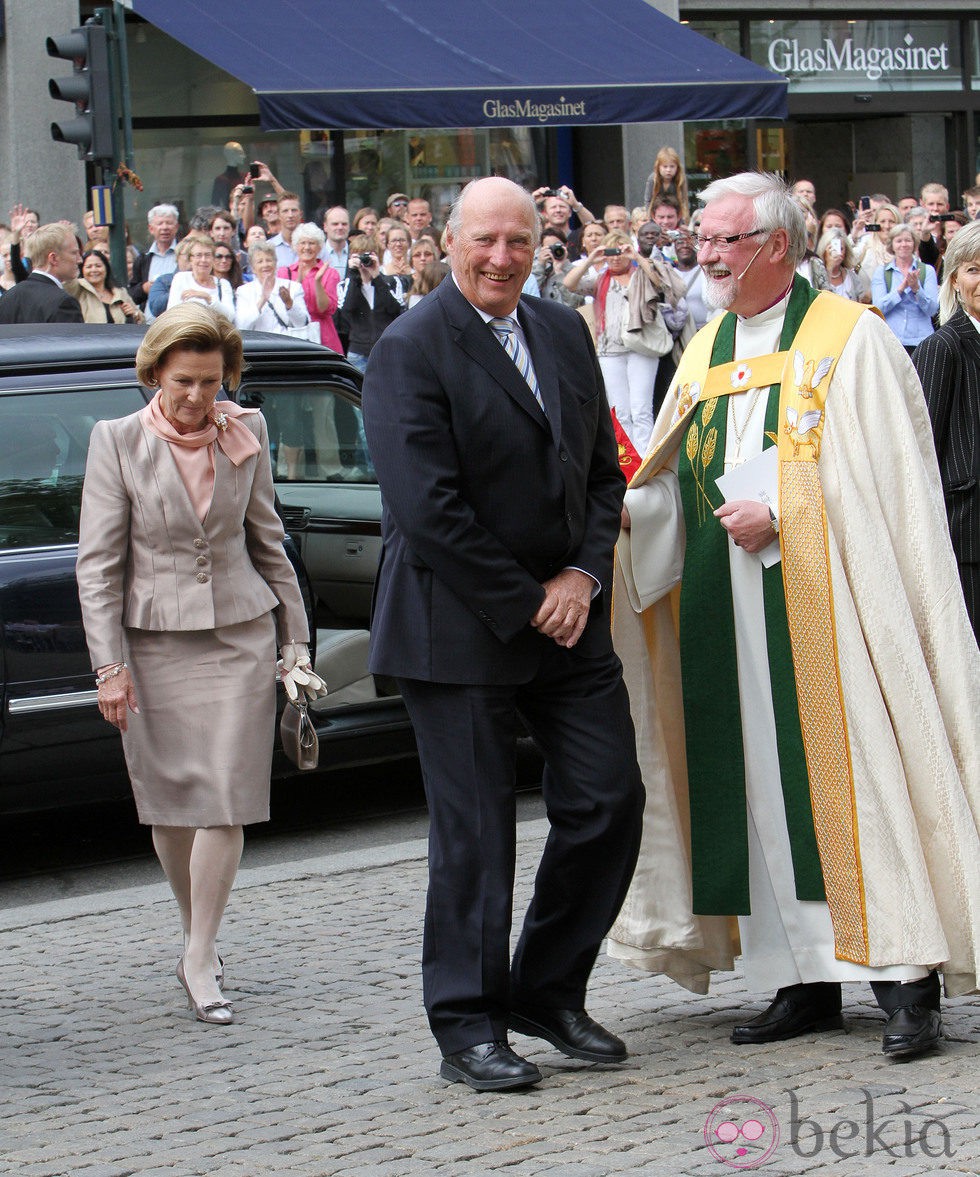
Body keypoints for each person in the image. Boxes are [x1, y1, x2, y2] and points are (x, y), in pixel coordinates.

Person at [607, 171, 980, 1060]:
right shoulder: (701, 351)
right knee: (762, 782)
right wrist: (626, 514)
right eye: (701, 240)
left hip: (837, 606)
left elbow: (898, 492)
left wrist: (788, 515)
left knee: (856, 770)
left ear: (775, 246)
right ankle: (801, 976)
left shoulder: (853, 340)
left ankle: (904, 977)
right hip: (724, 610)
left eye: (722, 242)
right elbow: (673, 478)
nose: (705, 257)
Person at [362, 174, 643, 1093]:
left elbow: (604, 473)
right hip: (459, 628)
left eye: (518, 240)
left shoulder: (562, 330)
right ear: (446, 242)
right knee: (476, 836)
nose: (500, 257)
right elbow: (428, 510)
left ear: (540, 243)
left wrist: (583, 574)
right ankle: (468, 1025)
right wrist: (531, 597)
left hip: (568, 617)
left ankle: (547, 990)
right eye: (483, 240)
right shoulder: (410, 348)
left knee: (608, 801)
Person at [76, 304, 325, 1025]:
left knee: (225, 795)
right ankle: (198, 935)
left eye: (211, 383)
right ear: (155, 373)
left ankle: (198, 952)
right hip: (151, 644)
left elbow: (270, 541)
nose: (196, 398)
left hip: (240, 636)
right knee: (171, 803)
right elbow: (98, 567)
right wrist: (107, 667)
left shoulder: (247, 431)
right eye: (183, 381)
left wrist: (295, 644)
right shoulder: (116, 441)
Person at [912, 220, 980, 640]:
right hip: (967, 538)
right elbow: (919, 453)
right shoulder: (942, 348)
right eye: (975, 269)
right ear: (954, 279)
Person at [563, 229, 686, 455]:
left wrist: (636, 257)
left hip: (642, 347)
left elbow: (660, 283)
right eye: (612, 252)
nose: (616, 257)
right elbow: (570, 283)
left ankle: (646, 458)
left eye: (620, 252)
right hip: (609, 351)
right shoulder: (600, 278)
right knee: (619, 411)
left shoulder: (641, 275)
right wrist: (593, 258)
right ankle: (628, 459)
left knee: (641, 409)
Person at [337, 234, 403, 371]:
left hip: (387, 350)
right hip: (358, 353)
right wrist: (353, 275)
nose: (363, 260)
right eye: (358, 255)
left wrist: (377, 276)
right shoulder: (345, 285)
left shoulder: (392, 282)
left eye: (368, 255)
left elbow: (395, 310)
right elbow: (346, 311)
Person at [871, 224, 940, 353]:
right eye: (899, 241)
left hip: (922, 340)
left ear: (914, 243)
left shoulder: (927, 270)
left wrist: (917, 289)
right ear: (892, 245)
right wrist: (901, 289)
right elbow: (878, 308)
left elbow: (932, 310)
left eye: (908, 240)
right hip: (892, 340)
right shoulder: (882, 272)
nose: (903, 244)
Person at [277, 223, 342, 352]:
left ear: (319, 247)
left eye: (312, 243)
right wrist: (298, 282)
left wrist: (318, 282)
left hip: (324, 336)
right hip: (295, 333)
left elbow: (323, 309)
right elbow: (284, 308)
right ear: (296, 246)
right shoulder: (284, 272)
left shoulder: (330, 273)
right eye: (302, 243)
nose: (307, 247)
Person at [0, 222, 82, 324]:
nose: (80, 260)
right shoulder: (63, 303)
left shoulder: (7, 298)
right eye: (74, 253)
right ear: (53, 258)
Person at [236, 241, 310, 334]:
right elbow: (241, 326)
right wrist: (262, 300)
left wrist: (289, 303)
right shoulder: (244, 291)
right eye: (260, 261)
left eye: (269, 260)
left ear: (275, 263)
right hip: (259, 346)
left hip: (288, 345)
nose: (265, 265)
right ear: (253, 268)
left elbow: (302, 323)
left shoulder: (293, 287)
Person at [167, 236, 236, 321]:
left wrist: (207, 297)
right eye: (198, 255)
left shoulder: (223, 284)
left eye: (207, 255)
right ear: (190, 259)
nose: (203, 260)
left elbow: (230, 317)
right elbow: (172, 312)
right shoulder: (181, 278)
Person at [66, 248, 143, 324]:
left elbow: (143, 320)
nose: (94, 270)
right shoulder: (77, 289)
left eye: (98, 266)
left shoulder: (120, 292)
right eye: (89, 267)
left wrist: (135, 314)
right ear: (82, 270)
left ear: (106, 268)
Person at [129, 204, 180, 309]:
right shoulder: (143, 259)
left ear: (176, 227)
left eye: (169, 223)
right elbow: (132, 295)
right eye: (160, 223)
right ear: (151, 228)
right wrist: (144, 288)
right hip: (148, 322)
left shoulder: (185, 255)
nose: (164, 227)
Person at [815, 229, 868, 303]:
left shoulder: (852, 277)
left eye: (841, 249)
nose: (836, 252)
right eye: (831, 248)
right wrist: (830, 268)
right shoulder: (816, 275)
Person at [643, 146, 689, 222]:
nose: (668, 170)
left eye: (672, 166)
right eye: (665, 167)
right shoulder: (653, 179)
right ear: (658, 167)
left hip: (675, 216)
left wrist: (683, 220)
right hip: (656, 216)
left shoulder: (680, 179)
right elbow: (648, 200)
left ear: (677, 167)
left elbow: (683, 200)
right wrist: (650, 219)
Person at [381, 222, 413, 300]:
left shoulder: (415, 271)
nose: (398, 244)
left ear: (409, 243)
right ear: (387, 245)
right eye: (394, 240)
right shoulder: (381, 271)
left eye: (402, 240)